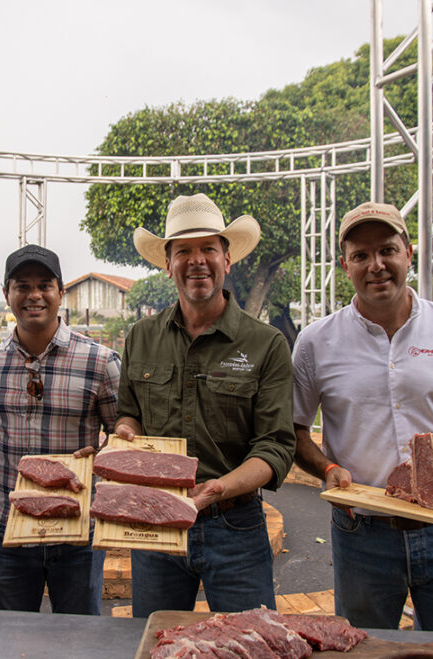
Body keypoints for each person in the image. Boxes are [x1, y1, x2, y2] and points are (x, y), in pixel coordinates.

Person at [291, 202, 433, 633]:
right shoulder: (316, 342)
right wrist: (327, 467)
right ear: (346, 265)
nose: (376, 265)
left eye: (387, 250)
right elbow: (295, 431)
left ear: (409, 253)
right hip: (362, 531)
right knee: (363, 646)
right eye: (361, 255)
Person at [115, 193, 296, 617]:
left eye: (208, 249)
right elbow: (129, 412)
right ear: (168, 264)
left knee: (251, 644)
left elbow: (275, 447)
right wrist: (127, 432)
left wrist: (217, 489)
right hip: (156, 521)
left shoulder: (265, 343)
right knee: (157, 640)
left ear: (227, 260)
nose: (197, 260)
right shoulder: (141, 336)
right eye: (184, 251)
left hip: (235, 527)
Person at [0, 245, 119, 615]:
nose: (34, 295)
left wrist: (102, 456)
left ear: (61, 293)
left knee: (78, 640)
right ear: (6, 294)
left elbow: (124, 437)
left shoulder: (100, 362)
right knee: (8, 638)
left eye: (45, 285)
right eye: (22, 285)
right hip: (7, 528)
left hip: (76, 533)